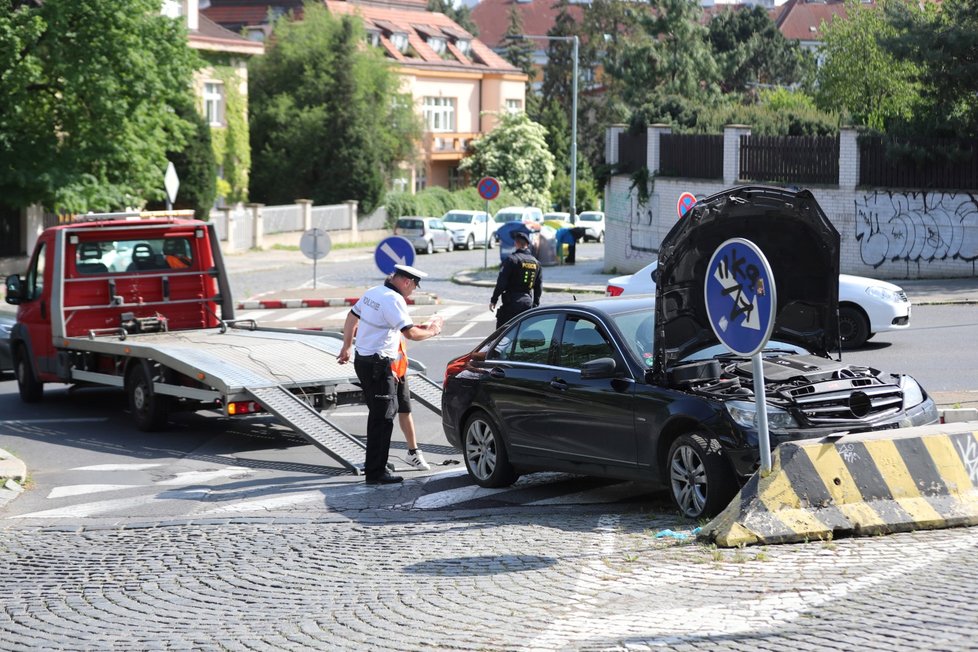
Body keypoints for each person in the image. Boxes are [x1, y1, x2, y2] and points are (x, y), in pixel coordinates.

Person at [337, 264, 441, 484]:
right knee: (383, 418)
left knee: (379, 414)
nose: (413, 290)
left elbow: (351, 317)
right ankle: (376, 472)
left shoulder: (373, 292)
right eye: (414, 285)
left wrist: (346, 346)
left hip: (363, 361)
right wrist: (433, 331)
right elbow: (410, 333)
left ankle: (376, 462)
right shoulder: (394, 300)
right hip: (378, 364)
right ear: (406, 282)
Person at [391, 336, 431, 470]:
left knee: (405, 409)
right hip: (383, 369)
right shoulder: (379, 316)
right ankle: (378, 458)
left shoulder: (396, 317)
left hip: (399, 370)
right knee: (383, 415)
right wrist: (431, 330)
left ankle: (413, 452)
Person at [490, 229, 542, 329]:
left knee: (501, 336)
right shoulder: (536, 263)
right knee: (523, 335)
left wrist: (494, 299)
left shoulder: (511, 260)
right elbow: (538, 287)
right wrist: (535, 305)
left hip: (511, 305)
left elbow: (501, 283)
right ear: (527, 244)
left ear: (516, 243)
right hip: (527, 305)